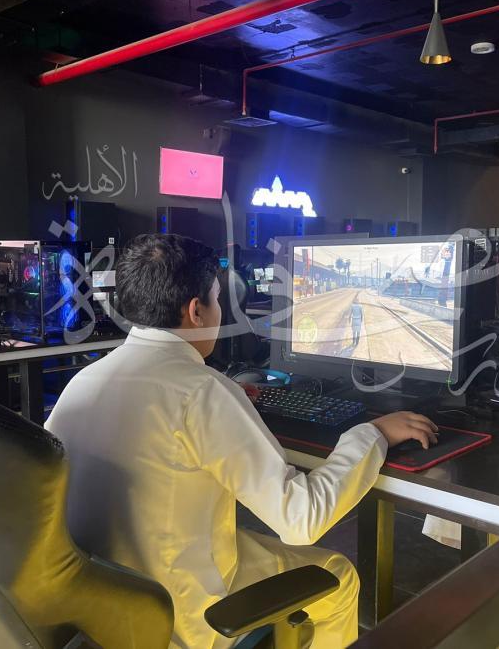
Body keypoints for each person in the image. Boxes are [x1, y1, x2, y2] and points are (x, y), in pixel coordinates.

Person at [47, 234, 438, 649]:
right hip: (175, 613)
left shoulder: (83, 382)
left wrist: (231, 400)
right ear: (196, 311)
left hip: (100, 604)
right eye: (218, 299)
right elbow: (301, 518)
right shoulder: (202, 392)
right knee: (337, 576)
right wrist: (374, 434)